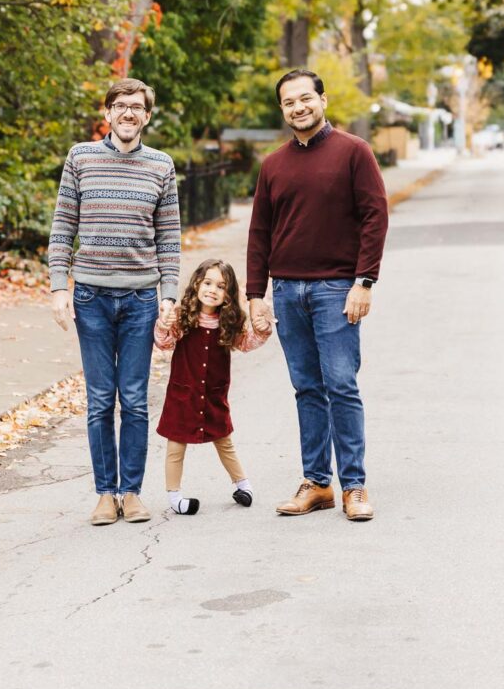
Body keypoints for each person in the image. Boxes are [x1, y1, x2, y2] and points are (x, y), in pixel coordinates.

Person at [246, 69, 388, 522]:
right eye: (289, 102)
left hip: (336, 290)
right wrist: (255, 294)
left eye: (305, 98)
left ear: (322, 100)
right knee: (307, 388)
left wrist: (364, 281)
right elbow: (260, 232)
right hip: (287, 291)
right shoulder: (273, 165)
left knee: (341, 386)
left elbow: (375, 216)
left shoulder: (354, 151)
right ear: (282, 109)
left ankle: (354, 485)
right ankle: (317, 483)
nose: (298, 107)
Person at [49, 78, 181, 526]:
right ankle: (106, 493)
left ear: (147, 116)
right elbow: (63, 226)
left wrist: (168, 295)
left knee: (136, 400)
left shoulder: (161, 165)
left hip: (142, 298)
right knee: (101, 400)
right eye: (120, 105)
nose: (128, 113)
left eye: (137, 107)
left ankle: (132, 492)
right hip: (91, 297)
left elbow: (169, 237)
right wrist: (58, 287)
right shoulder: (80, 157)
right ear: (108, 113)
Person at [154, 259, 272, 514]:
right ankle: (175, 497)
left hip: (213, 395)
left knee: (224, 441)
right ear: (197, 283)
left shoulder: (228, 323)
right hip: (183, 395)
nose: (212, 290)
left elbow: (246, 343)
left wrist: (262, 331)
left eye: (221, 286)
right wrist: (163, 323)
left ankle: (243, 485)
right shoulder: (183, 318)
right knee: (176, 446)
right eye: (208, 283)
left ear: (228, 294)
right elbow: (163, 343)